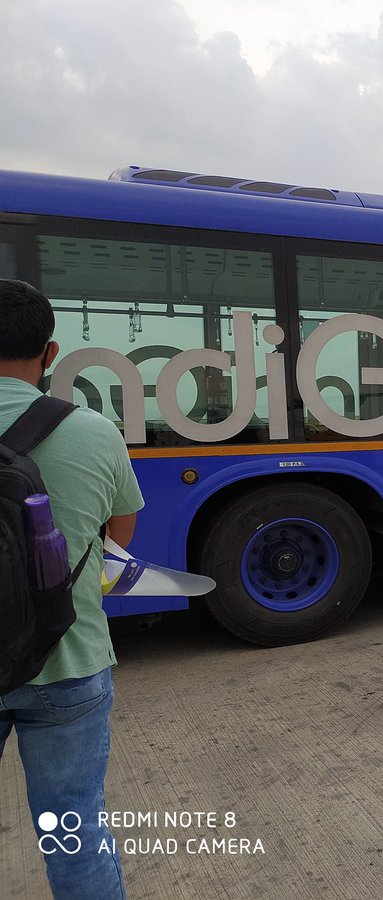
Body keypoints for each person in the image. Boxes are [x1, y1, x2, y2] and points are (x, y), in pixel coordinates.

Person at [0, 279, 144, 900]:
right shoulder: (94, 430)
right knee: (73, 827)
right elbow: (119, 532)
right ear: (50, 354)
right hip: (68, 659)